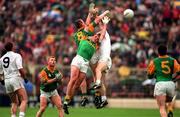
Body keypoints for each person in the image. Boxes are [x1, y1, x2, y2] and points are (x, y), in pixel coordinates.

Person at [63, 16, 110, 114]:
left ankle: (68, 102)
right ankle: (66, 102)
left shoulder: (96, 45)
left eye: (98, 36)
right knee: (73, 79)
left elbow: (103, 33)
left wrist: (105, 25)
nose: (97, 37)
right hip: (78, 59)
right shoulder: (84, 36)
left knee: (77, 85)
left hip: (85, 63)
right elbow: (88, 24)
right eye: (96, 35)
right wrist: (93, 14)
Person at [147, 45, 180, 117]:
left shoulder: (154, 61)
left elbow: (149, 75)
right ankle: (170, 110)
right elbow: (179, 71)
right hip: (170, 84)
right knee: (168, 101)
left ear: (158, 52)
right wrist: (174, 78)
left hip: (160, 83)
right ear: (166, 51)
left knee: (162, 107)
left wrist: (155, 75)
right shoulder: (172, 60)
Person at [0, 42, 28, 117]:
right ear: (12, 47)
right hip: (15, 78)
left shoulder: (2, 59)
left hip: (7, 81)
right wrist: (25, 78)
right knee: (24, 99)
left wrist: (2, 81)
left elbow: (0, 73)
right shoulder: (17, 55)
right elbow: (20, 68)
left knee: (14, 102)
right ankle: (21, 116)